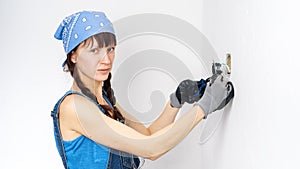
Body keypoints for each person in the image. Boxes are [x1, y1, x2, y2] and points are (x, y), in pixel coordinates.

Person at [51, 10, 234, 169]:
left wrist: (176, 101)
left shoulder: (104, 100)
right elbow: (150, 148)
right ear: (73, 55)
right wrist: (203, 107)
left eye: (110, 49)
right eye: (94, 51)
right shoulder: (74, 107)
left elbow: (147, 135)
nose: (106, 60)